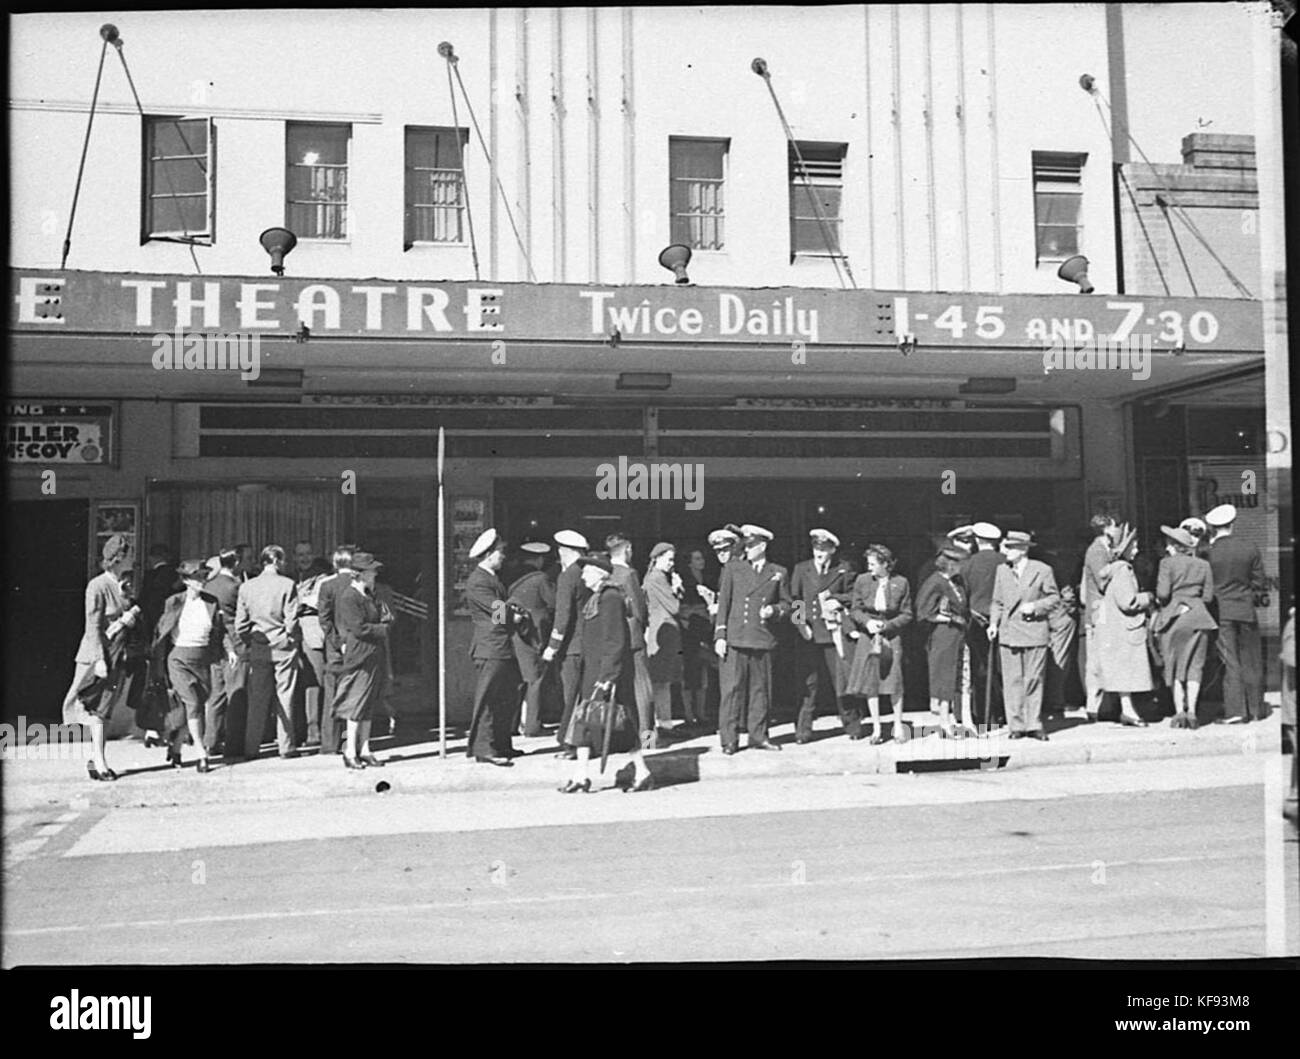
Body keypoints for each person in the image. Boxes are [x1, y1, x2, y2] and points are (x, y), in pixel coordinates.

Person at [558, 555, 655, 793]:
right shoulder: (597, 598)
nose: (582, 576)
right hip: (595, 671)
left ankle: (642, 772)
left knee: (621, 725)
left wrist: (608, 678)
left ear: (598, 573)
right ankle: (582, 776)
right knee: (586, 723)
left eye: (586, 572)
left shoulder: (610, 598)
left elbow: (615, 641)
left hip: (607, 674)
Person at [62, 534, 138, 782]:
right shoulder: (97, 586)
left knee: (104, 709)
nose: (133, 558)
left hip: (117, 654)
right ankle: (100, 761)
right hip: (97, 657)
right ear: (118, 558)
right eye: (129, 554)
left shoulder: (123, 583)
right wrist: (100, 660)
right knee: (96, 708)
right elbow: (92, 626)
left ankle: (97, 759)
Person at [714, 525, 791, 754]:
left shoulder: (779, 572)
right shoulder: (733, 568)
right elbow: (723, 604)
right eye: (745, 546)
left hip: (762, 638)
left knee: (761, 691)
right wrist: (720, 635)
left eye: (750, 545)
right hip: (736, 638)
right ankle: (729, 740)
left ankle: (758, 736)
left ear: (763, 546)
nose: (746, 550)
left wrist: (775, 611)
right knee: (731, 691)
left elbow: (790, 604)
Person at [152, 560, 234, 773]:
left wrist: (230, 650)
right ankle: (201, 753)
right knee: (194, 703)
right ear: (187, 580)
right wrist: (157, 663)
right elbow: (161, 631)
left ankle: (176, 746)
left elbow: (221, 631)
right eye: (197, 578)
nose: (201, 581)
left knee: (195, 705)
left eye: (204, 577)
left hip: (202, 660)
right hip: (179, 659)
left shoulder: (211, 602)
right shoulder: (174, 602)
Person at [989, 530, 1059, 740]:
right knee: (1012, 680)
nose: (1006, 551)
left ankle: (1034, 723)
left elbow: (1054, 598)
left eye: (1010, 547)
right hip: (1009, 632)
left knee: (1034, 679)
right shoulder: (1002, 570)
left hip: (1034, 631)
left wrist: (1035, 606)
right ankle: (1016, 725)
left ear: (1023, 549)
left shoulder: (1042, 570)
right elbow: (997, 601)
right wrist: (993, 623)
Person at [790, 529, 858, 742]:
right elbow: (796, 600)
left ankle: (852, 726)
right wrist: (801, 625)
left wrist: (837, 599)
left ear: (832, 550)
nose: (819, 552)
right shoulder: (802, 569)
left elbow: (854, 596)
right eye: (816, 548)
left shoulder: (843, 570)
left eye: (824, 548)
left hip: (833, 633)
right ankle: (803, 731)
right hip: (809, 635)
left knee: (842, 680)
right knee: (808, 684)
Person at [235, 545, 301, 759]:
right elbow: (291, 620)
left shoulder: (247, 587)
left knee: (257, 699)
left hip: (259, 645)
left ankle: (251, 747)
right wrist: (289, 638)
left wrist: (251, 641)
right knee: (285, 695)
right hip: (282, 645)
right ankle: (286, 746)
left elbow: (240, 625)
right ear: (277, 561)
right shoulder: (288, 585)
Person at [464, 528, 523, 766]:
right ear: (488, 554)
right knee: (488, 698)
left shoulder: (491, 579)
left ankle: (501, 743)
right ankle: (483, 747)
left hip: (501, 646)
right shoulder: (479, 581)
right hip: (490, 647)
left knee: (506, 697)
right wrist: (514, 616)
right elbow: (496, 610)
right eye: (500, 552)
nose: (503, 556)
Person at [1206, 503, 1267, 723]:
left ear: (1213, 527)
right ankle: (1256, 709)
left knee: (1230, 661)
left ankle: (1235, 711)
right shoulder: (1249, 547)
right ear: (1232, 524)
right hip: (1245, 608)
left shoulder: (1209, 553)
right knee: (1252, 659)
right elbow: (1259, 582)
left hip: (1221, 611)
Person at [332, 551, 394, 769]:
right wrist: (382, 629)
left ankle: (365, 749)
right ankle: (350, 750)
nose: (375, 573)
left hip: (373, 653)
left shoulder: (369, 594)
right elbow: (358, 627)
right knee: (357, 703)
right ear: (360, 573)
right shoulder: (350, 597)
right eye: (371, 570)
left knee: (368, 704)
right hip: (361, 654)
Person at [847, 544, 914, 743]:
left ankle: (898, 727)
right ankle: (876, 729)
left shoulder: (901, 583)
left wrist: (887, 625)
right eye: (868, 564)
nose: (870, 568)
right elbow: (855, 609)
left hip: (891, 637)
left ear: (886, 564)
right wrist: (867, 623)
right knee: (871, 683)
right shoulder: (862, 580)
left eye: (874, 564)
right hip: (869, 637)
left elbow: (907, 613)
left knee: (894, 682)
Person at [1154, 524, 1217, 729]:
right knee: (1195, 666)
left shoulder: (1166, 563)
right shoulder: (1203, 565)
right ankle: (1192, 712)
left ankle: (1179, 712)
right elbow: (1207, 596)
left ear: (1173, 545)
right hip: (1199, 618)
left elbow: (1163, 594)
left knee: (1174, 665)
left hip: (1175, 618)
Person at [1092, 523, 1156, 727]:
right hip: (1126, 630)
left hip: (1116, 629)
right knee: (1127, 672)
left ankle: (1128, 710)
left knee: (1122, 674)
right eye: (1133, 545)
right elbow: (1128, 601)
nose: (1136, 549)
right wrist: (1147, 597)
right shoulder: (1124, 571)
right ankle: (1128, 712)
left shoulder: (1113, 570)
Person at [606, 534, 658, 748]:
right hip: (633, 638)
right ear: (627, 549)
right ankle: (648, 741)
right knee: (642, 690)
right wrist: (644, 626)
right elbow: (639, 608)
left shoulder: (605, 572)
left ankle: (618, 739)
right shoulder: (629, 574)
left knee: (617, 690)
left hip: (612, 639)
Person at [544, 529, 591, 757]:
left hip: (571, 646)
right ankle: (580, 741)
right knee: (581, 696)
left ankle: (572, 743)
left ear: (567, 551)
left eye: (560, 550)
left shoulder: (565, 576)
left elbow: (562, 615)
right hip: (586, 644)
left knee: (570, 696)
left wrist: (552, 646)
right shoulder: (584, 573)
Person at [916, 545, 969, 736]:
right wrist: (950, 619)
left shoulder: (955, 581)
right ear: (951, 564)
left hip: (956, 635)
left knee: (953, 676)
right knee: (944, 676)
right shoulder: (935, 582)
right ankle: (944, 722)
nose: (963, 566)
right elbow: (924, 613)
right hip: (943, 635)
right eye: (961, 563)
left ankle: (951, 719)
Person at [508, 541, 557, 737]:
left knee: (520, 682)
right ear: (539, 559)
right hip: (533, 636)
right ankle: (532, 726)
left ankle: (513, 724)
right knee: (535, 680)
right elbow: (553, 604)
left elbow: (498, 612)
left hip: (515, 636)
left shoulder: (511, 579)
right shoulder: (541, 579)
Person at [202, 547, 246, 759]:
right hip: (235, 642)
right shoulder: (236, 587)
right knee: (236, 692)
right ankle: (233, 745)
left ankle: (210, 741)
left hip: (214, 643)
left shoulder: (209, 585)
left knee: (216, 694)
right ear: (236, 563)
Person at [962, 522, 1005, 730]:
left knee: (980, 668)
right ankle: (1004, 713)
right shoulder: (1005, 561)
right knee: (1004, 668)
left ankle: (984, 717)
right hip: (1004, 620)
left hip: (977, 620)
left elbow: (964, 594)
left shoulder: (968, 564)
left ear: (977, 540)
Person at [316, 545, 357, 755]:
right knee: (356, 694)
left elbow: (323, 618)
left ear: (335, 563)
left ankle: (329, 743)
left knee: (331, 694)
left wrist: (336, 641)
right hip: (357, 645)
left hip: (334, 648)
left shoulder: (327, 586)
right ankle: (351, 742)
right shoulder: (359, 585)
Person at [643, 542, 686, 734]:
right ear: (657, 558)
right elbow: (674, 607)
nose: (671, 563)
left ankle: (664, 723)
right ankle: (661, 725)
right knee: (660, 682)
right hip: (663, 632)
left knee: (662, 681)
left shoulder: (656, 577)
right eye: (669, 559)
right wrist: (677, 587)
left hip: (664, 632)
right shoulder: (657, 578)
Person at [294, 558, 333, 750]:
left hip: (315, 637)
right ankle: (302, 730)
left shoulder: (323, 579)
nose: (304, 558)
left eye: (307, 554)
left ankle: (314, 730)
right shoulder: (290, 578)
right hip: (296, 638)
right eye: (300, 554)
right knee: (302, 685)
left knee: (315, 683)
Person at [677, 546, 714, 730]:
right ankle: (688, 714)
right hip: (688, 631)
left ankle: (701, 712)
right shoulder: (683, 581)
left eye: (702, 558)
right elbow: (680, 607)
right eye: (697, 558)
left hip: (703, 628)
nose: (702, 561)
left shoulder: (708, 578)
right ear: (690, 562)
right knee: (688, 672)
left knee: (702, 671)